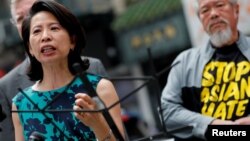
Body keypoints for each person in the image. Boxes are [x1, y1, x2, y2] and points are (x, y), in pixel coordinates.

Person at [11, 0, 125, 140]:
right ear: (30, 48)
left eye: (54, 28)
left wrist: (98, 124)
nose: (45, 36)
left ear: (72, 40)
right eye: (37, 31)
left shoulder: (100, 89)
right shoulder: (20, 104)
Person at [161, 0, 250, 140]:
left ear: (236, 10)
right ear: (200, 19)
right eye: (205, 10)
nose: (213, 14)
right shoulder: (184, 62)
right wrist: (210, 125)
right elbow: (166, 111)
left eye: (219, 5)